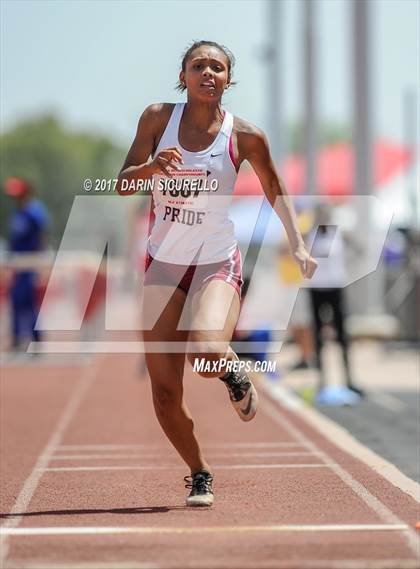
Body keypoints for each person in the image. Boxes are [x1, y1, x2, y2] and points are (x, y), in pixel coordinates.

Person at [117, 41, 318, 507]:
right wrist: (148, 168)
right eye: (198, 65)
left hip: (215, 260)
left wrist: (299, 243)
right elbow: (124, 183)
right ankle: (199, 472)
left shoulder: (244, 135)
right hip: (163, 265)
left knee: (207, 351)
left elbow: (275, 187)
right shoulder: (155, 119)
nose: (208, 72)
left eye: (218, 67)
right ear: (183, 75)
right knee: (165, 393)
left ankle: (235, 374)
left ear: (229, 79)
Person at [4, 178, 49, 351]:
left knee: (30, 303)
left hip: (31, 264)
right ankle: (16, 339)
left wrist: (40, 264)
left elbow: (42, 237)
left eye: (19, 195)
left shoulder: (35, 212)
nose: (16, 199)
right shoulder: (18, 213)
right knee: (16, 301)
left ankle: (36, 341)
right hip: (18, 265)